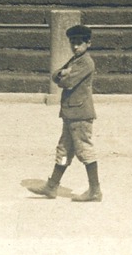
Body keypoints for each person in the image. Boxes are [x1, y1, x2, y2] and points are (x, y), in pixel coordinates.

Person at [26, 23, 102, 202]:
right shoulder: (75, 60)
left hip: (80, 113)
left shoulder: (85, 62)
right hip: (70, 113)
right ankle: (52, 186)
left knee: (84, 150)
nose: (75, 46)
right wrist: (63, 73)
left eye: (79, 42)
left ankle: (95, 190)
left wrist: (64, 75)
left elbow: (67, 83)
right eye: (73, 42)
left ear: (88, 43)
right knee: (64, 150)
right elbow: (55, 75)